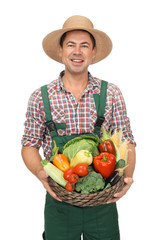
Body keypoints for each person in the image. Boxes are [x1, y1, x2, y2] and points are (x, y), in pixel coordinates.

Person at [21, 15, 136, 240]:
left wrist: (127, 177)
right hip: (60, 201)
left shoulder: (111, 94)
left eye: (85, 46)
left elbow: (127, 141)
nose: (77, 51)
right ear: (61, 51)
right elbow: (28, 145)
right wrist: (41, 174)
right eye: (71, 45)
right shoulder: (40, 97)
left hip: (103, 202)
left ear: (93, 52)